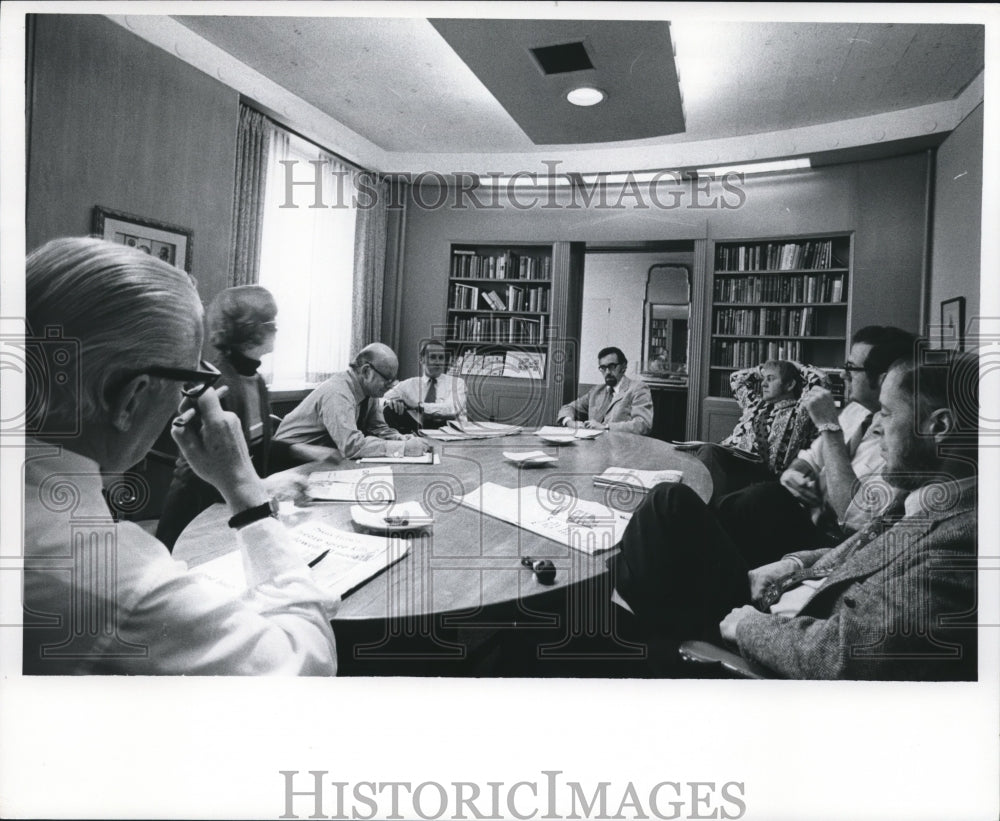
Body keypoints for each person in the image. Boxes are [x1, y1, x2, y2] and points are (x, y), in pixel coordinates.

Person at [23, 237, 338, 675]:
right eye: (186, 380)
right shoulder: (115, 578)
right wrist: (247, 493)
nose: (186, 398)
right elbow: (308, 665)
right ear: (133, 398)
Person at [612, 348, 977, 680]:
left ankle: (650, 640)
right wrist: (792, 565)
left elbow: (850, 656)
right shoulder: (925, 498)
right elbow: (860, 553)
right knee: (672, 504)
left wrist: (748, 628)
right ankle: (642, 613)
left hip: (773, 643)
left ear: (938, 427)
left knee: (655, 530)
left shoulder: (961, 545)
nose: (878, 425)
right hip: (784, 599)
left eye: (887, 412)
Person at [715, 326, 917, 564]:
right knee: (716, 465)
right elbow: (811, 457)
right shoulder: (856, 411)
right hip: (803, 510)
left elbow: (853, 518)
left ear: (884, 378)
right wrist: (794, 473)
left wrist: (829, 427)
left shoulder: (900, 437)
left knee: (761, 499)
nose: (843, 375)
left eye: (851, 368)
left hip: (838, 540)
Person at [155, 285, 284, 550]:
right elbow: (217, 470)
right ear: (250, 330)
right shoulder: (215, 385)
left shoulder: (255, 380)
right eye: (271, 322)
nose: (277, 329)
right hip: (199, 515)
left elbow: (255, 452)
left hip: (232, 511)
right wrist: (265, 487)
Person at [272, 342, 430, 462]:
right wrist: (403, 449)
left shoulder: (369, 392)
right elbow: (351, 447)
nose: (391, 385)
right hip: (289, 461)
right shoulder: (338, 392)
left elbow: (378, 428)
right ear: (366, 371)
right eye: (387, 379)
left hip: (324, 458)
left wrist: (402, 439)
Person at [695, 360, 820, 499]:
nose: (763, 383)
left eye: (771, 379)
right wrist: (761, 371)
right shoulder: (754, 404)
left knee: (710, 452)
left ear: (790, 384)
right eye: (763, 379)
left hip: (762, 475)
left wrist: (795, 366)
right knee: (694, 454)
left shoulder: (801, 410)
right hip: (730, 460)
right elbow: (736, 379)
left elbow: (820, 380)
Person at [557, 346, 654, 434]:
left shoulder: (638, 388)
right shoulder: (596, 391)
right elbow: (568, 407)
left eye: (612, 367)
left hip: (622, 448)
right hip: (593, 447)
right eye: (603, 368)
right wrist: (569, 422)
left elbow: (643, 425)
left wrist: (606, 427)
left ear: (623, 367)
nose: (607, 372)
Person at [382, 339, 467, 432]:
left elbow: (452, 409)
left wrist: (418, 406)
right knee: (388, 410)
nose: (438, 362)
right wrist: (390, 402)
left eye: (441, 358)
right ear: (421, 359)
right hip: (418, 432)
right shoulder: (409, 384)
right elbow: (380, 399)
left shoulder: (457, 383)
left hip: (451, 434)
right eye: (433, 357)